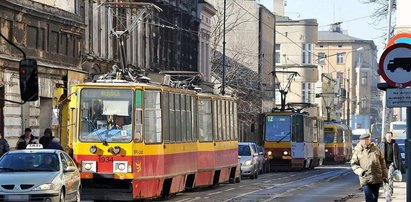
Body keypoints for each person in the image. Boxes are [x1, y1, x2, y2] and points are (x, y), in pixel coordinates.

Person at [351, 133, 388, 202]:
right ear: (361, 141)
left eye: (367, 140)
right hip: (365, 178)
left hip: (376, 177)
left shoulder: (376, 149)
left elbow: (382, 162)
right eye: (364, 141)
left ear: (369, 140)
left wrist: (385, 175)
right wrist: (361, 172)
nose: (365, 142)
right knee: (369, 197)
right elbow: (354, 164)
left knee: (375, 198)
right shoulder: (357, 151)